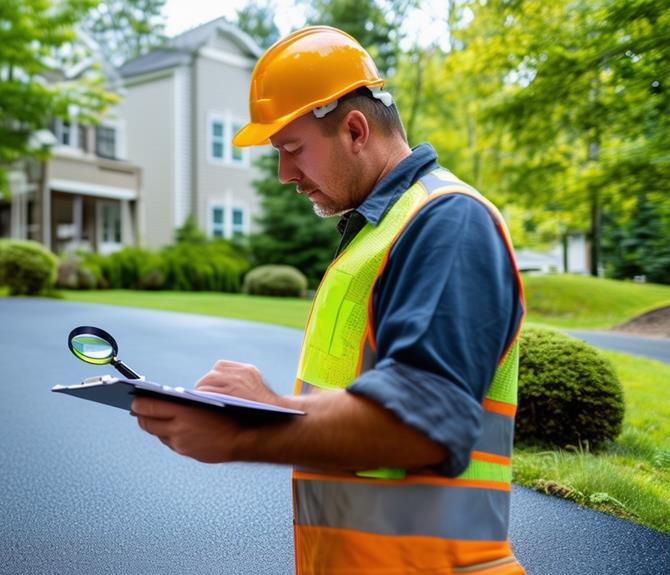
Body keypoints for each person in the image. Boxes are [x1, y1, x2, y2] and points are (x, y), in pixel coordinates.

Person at [130, 26, 526, 575]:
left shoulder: (449, 221)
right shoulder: (376, 233)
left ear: (356, 129)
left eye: (293, 149)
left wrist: (253, 423)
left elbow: (423, 422)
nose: (285, 175)